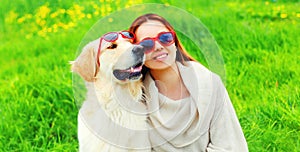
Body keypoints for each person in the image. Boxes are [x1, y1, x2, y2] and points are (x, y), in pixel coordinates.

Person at [128, 13, 248, 151]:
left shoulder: (209, 83)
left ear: (175, 41)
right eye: (146, 44)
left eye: (165, 38)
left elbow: (229, 146)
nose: (159, 46)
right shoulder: (135, 96)